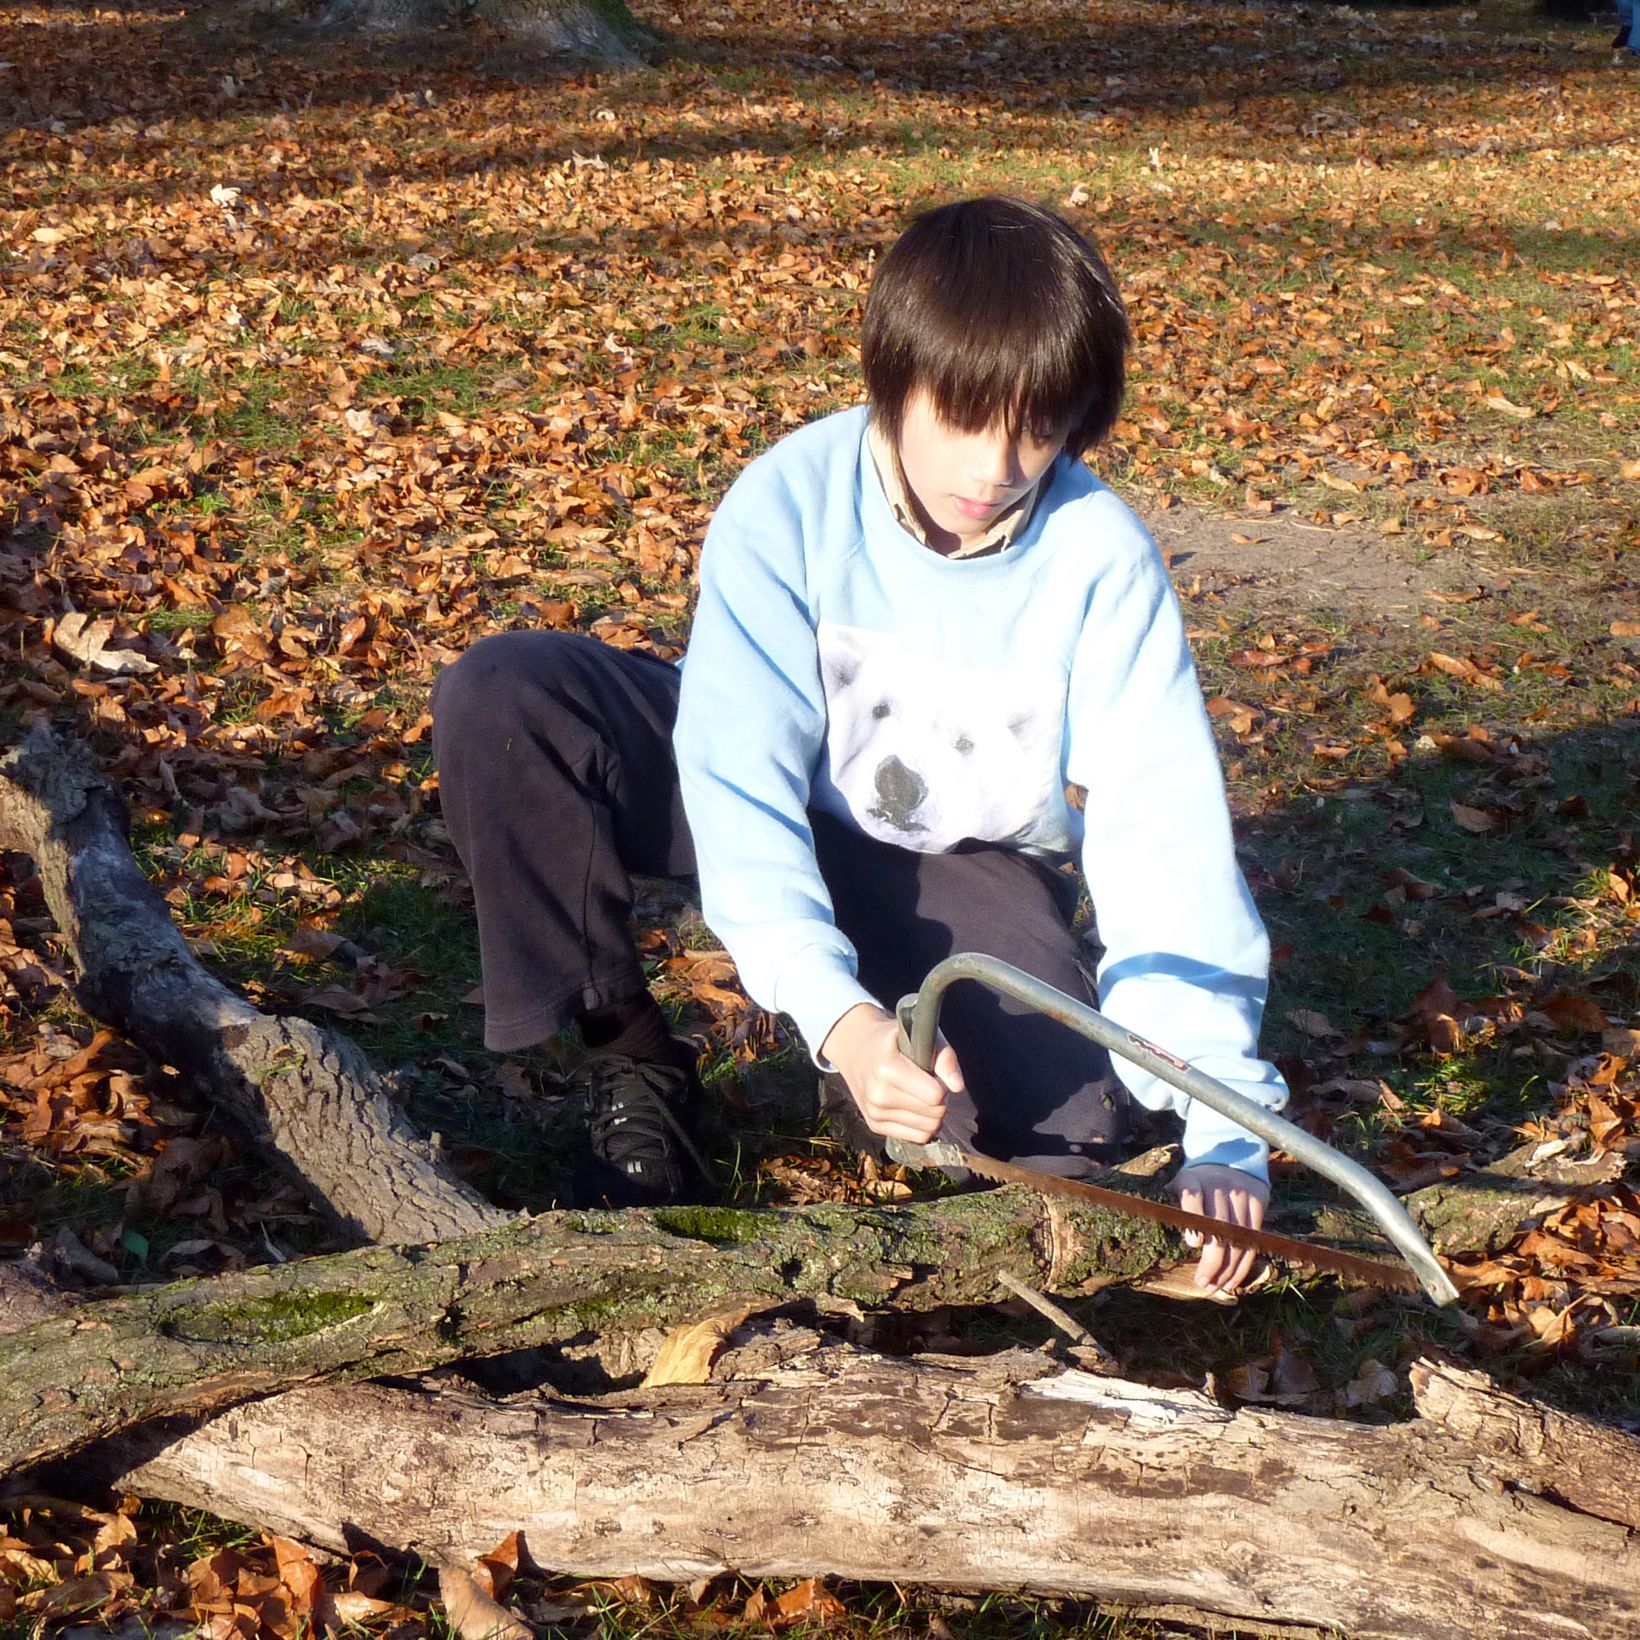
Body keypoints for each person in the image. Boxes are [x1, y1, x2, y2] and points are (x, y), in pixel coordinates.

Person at [432, 195, 1289, 1292]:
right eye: (962, 417)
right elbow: (736, 777)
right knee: (508, 696)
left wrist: (1220, 1117)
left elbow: (1162, 836)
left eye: (1036, 426)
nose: (994, 469)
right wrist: (838, 1019)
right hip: (775, 786)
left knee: (1069, 1132)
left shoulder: (1098, 559)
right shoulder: (789, 499)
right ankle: (632, 1061)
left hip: (947, 848)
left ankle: (888, 1066)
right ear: (892, 381)